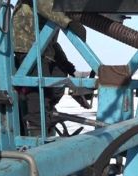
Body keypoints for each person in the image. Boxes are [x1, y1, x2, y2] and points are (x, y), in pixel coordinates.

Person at [12, 0, 86, 134]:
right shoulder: (46, 5)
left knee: (59, 79)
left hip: (45, 47)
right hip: (27, 45)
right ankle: (36, 126)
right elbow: (44, 4)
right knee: (38, 87)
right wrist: (68, 22)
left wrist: (67, 65)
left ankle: (46, 113)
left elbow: (53, 42)